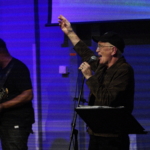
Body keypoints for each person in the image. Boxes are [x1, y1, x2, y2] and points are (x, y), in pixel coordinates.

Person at [58, 15, 135, 150]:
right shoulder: (101, 65)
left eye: (100, 47)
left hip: (113, 138)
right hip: (96, 133)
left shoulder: (124, 70)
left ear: (113, 50)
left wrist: (89, 76)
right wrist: (69, 32)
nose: (97, 50)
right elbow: (86, 53)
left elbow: (107, 99)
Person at [0, 38, 35, 150]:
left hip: (16, 120)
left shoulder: (18, 68)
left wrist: (2, 106)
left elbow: (28, 94)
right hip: (4, 120)